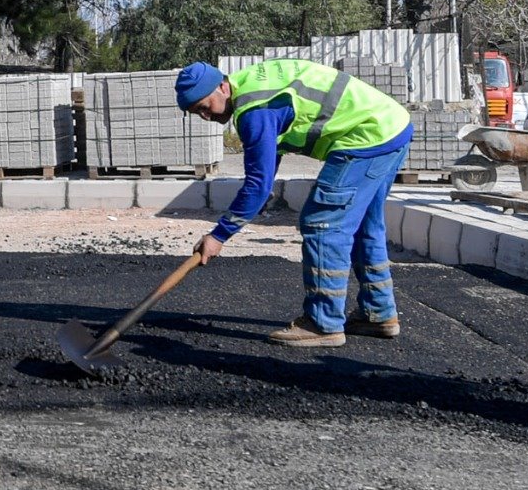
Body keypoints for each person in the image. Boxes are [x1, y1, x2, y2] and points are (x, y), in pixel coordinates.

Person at [175, 59, 415, 348]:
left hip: (367, 136)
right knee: (365, 223)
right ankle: (378, 314)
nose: (205, 116)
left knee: (322, 222)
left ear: (223, 87)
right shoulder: (252, 89)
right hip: (391, 126)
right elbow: (266, 169)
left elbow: (258, 186)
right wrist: (252, 203)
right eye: (196, 112)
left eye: (204, 106)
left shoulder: (255, 111)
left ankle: (323, 323)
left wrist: (220, 235)